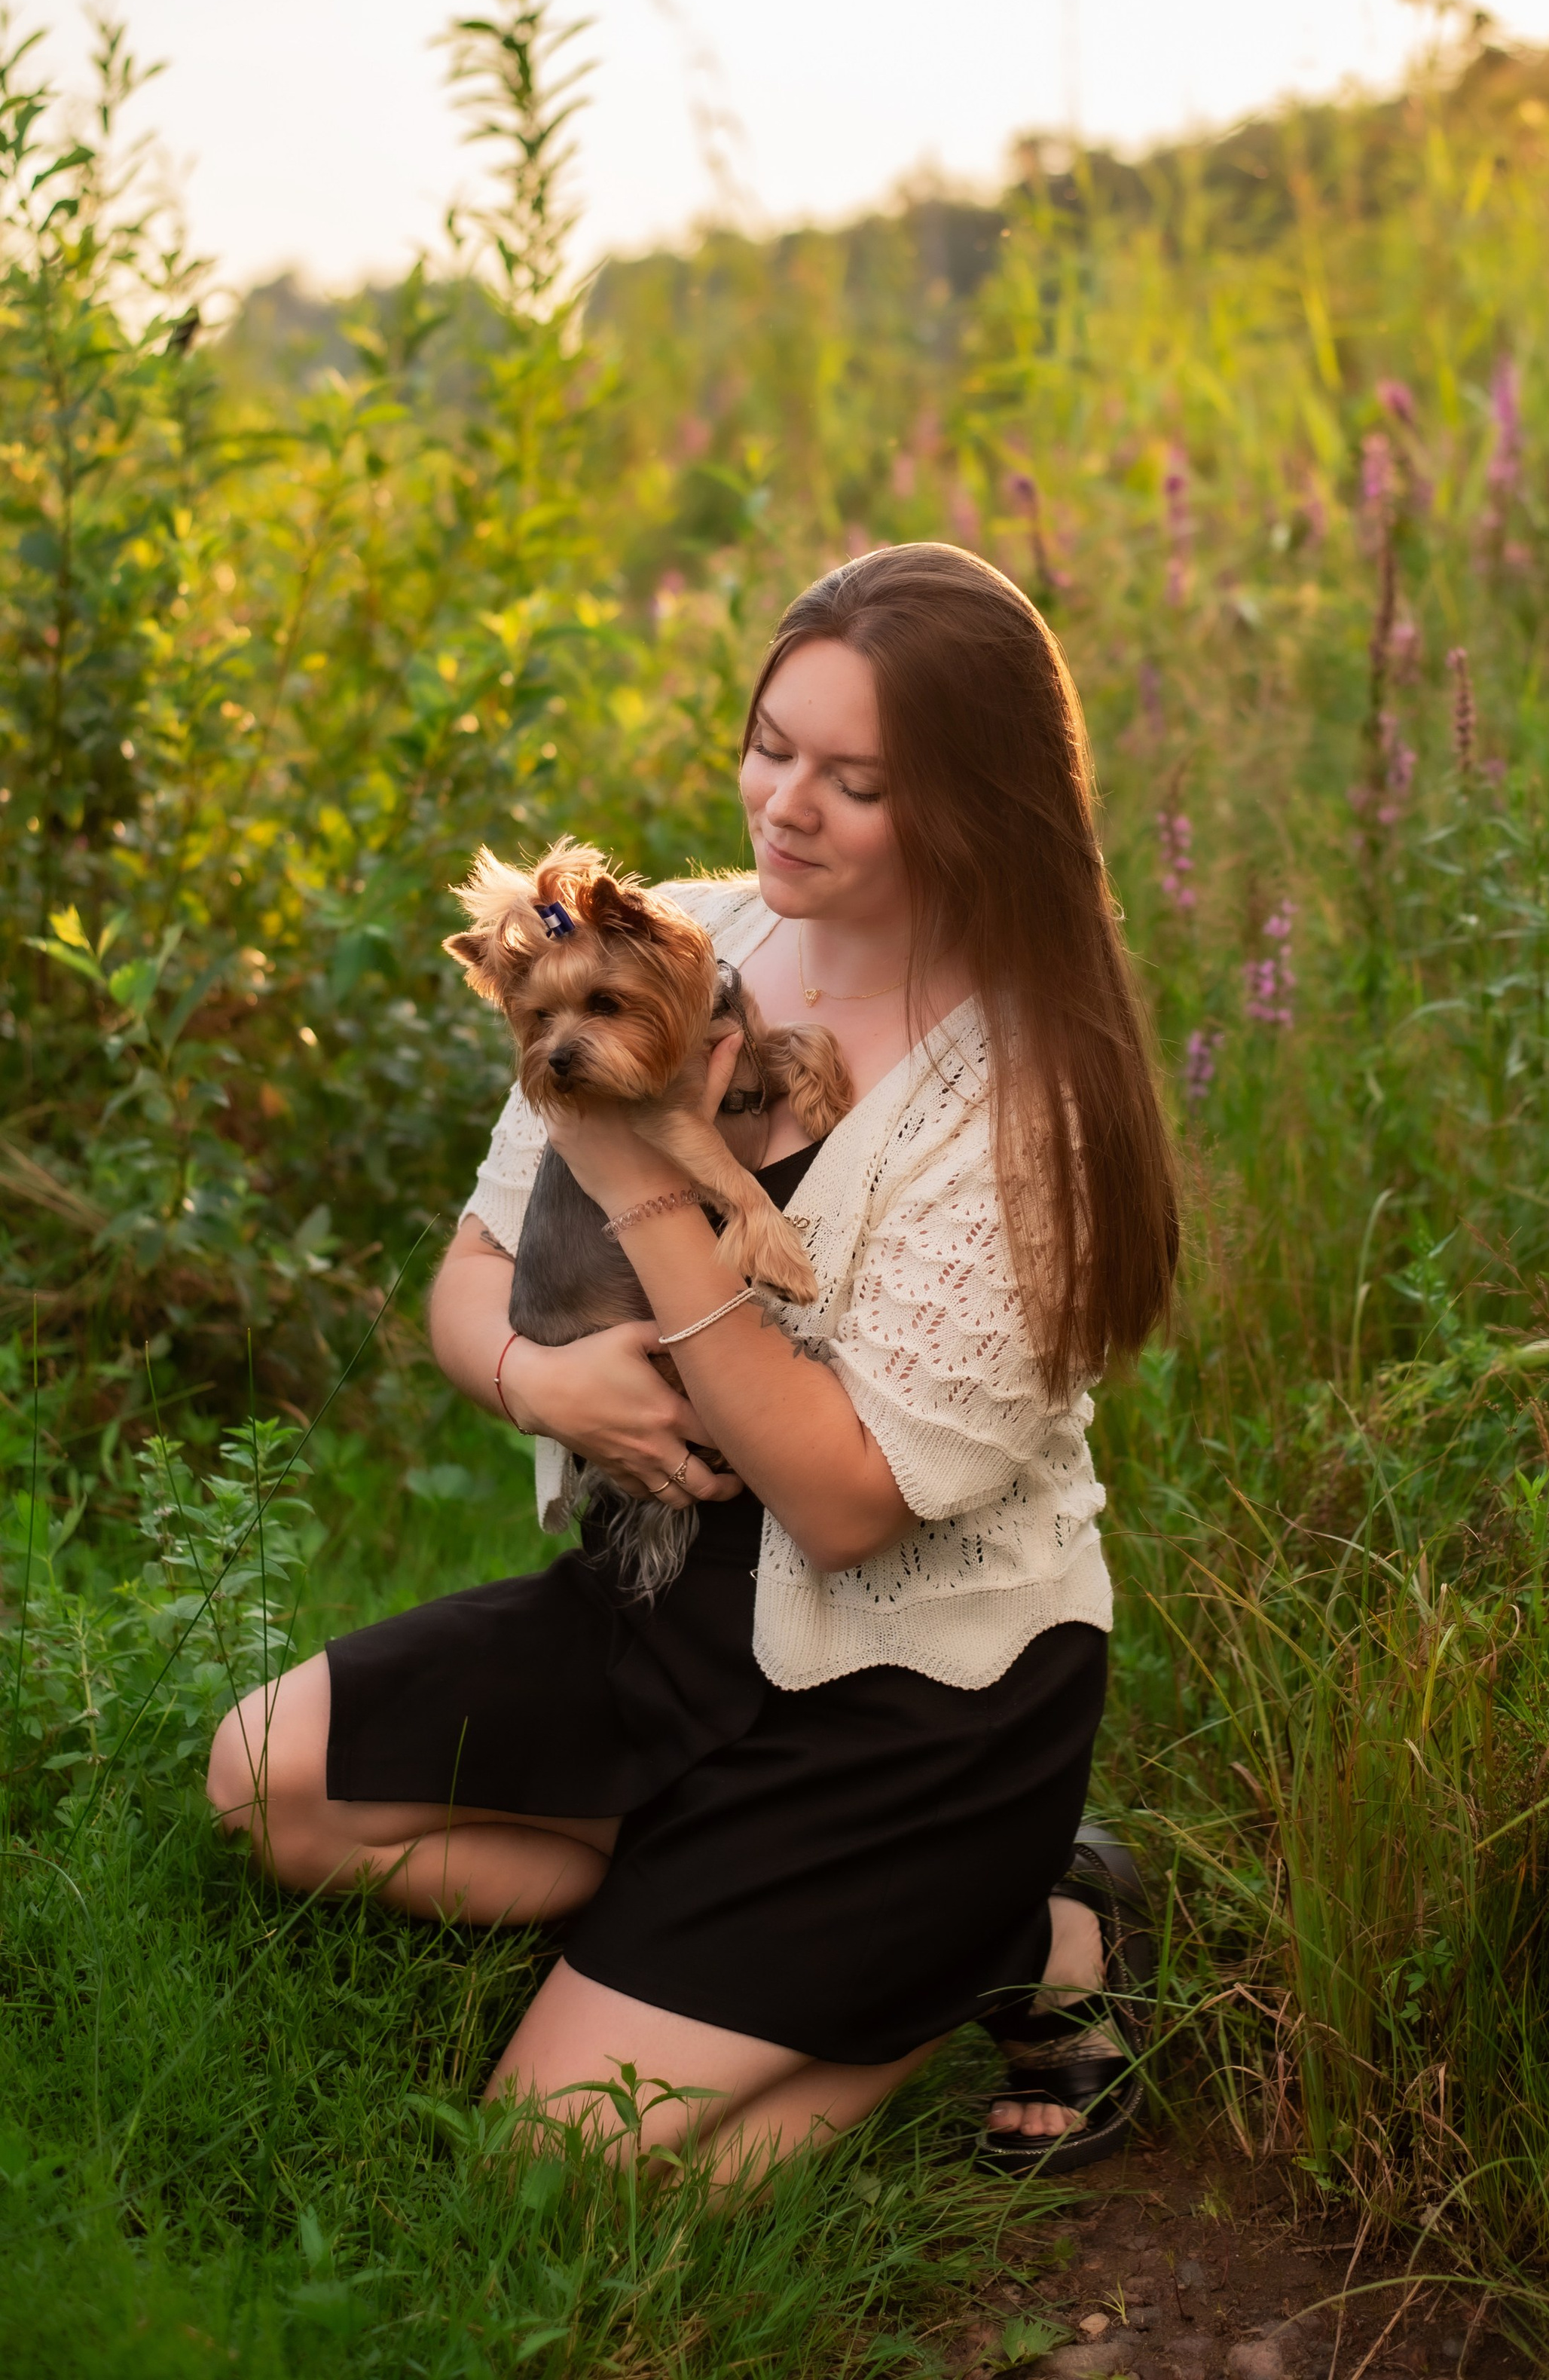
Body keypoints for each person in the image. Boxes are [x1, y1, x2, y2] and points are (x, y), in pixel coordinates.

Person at [206, 542, 1179, 2179]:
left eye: (855, 779)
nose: (784, 803)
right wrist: (533, 1384)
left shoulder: (1027, 1099)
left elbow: (848, 1506)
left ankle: (1000, 1930)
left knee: (565, 2181)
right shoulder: (680, 938)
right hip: (658, 1607)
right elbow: (470, 1275)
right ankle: (724, 1910)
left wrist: (649, 1159)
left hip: (900, 1702)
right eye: (770, 744)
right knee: (264, 1784)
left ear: (971, 801)